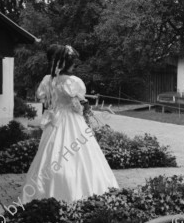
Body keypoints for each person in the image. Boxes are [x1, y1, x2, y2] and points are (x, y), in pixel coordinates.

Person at [21, 45, 118, 204]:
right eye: (72, 63)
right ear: (66, 63)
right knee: (80, 155)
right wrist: (85, 107)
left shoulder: (47, 80)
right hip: (72, 121)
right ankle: (81, 192)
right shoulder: (73, 81)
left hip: (54, 121)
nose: (74, 66)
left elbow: (44, 98)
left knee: (50, 153)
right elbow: (76, 104)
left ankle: (44, 191)